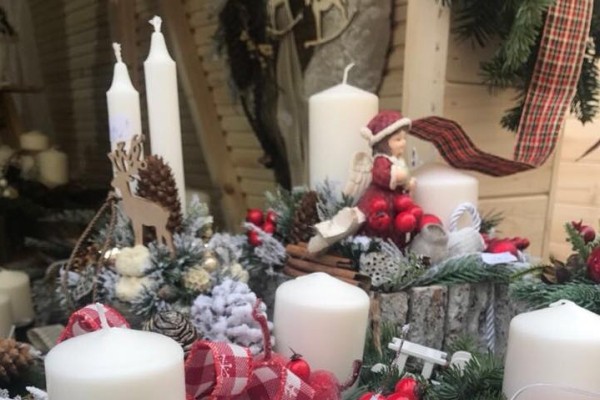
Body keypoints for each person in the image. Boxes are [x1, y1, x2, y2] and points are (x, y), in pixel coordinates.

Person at [357, 110, 419, 246]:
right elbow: (382, 175)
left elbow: (403, 179)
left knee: (398, 225)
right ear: (384, 142)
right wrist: (401, 176)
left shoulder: (398, 160)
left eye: (404, 139)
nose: (403, 143)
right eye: (398, 139)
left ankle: (396, 247)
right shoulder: (381, 160)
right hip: (381, 201)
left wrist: (407, 184)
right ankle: (377, 246)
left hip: (396, 202)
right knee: (383, 223)